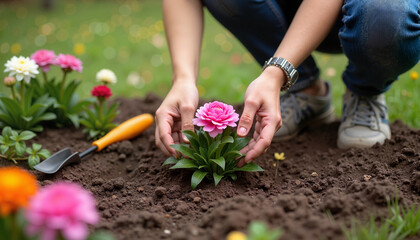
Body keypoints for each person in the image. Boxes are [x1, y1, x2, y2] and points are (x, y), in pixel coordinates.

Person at [155, 0, 420, 167]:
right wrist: (183, 80)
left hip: (368, 11)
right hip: (284, 8)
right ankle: (305, 90)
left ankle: (366, 89)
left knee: (386, 12)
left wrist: (274, 73)